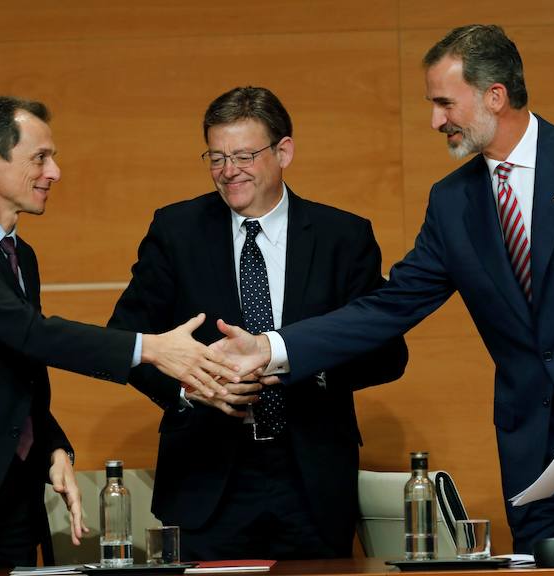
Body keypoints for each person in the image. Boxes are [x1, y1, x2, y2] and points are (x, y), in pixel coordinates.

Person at [214, 26, 554, 554]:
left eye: (444, 103)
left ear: (494, 96)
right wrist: (271, 347)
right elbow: (390, 306)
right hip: (537, 469)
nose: (435, 120)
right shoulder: (452, 203)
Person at [0, 96, 236, 570]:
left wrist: (52, 445)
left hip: (7, 502)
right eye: (40, 157)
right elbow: (28, 332)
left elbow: (17, 365)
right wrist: (149, 348)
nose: (54, 171)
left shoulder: (22, 257)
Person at [107, 86, 408, 560]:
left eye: (244, 155)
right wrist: (189, 387)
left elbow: (390, 353)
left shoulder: (342, 237)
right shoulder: (175, 231)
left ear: (283, 151)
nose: (228, 172)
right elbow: (126, 341)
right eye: (216, 157)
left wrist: (302, 362)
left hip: (310, 479)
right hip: (206, 478)